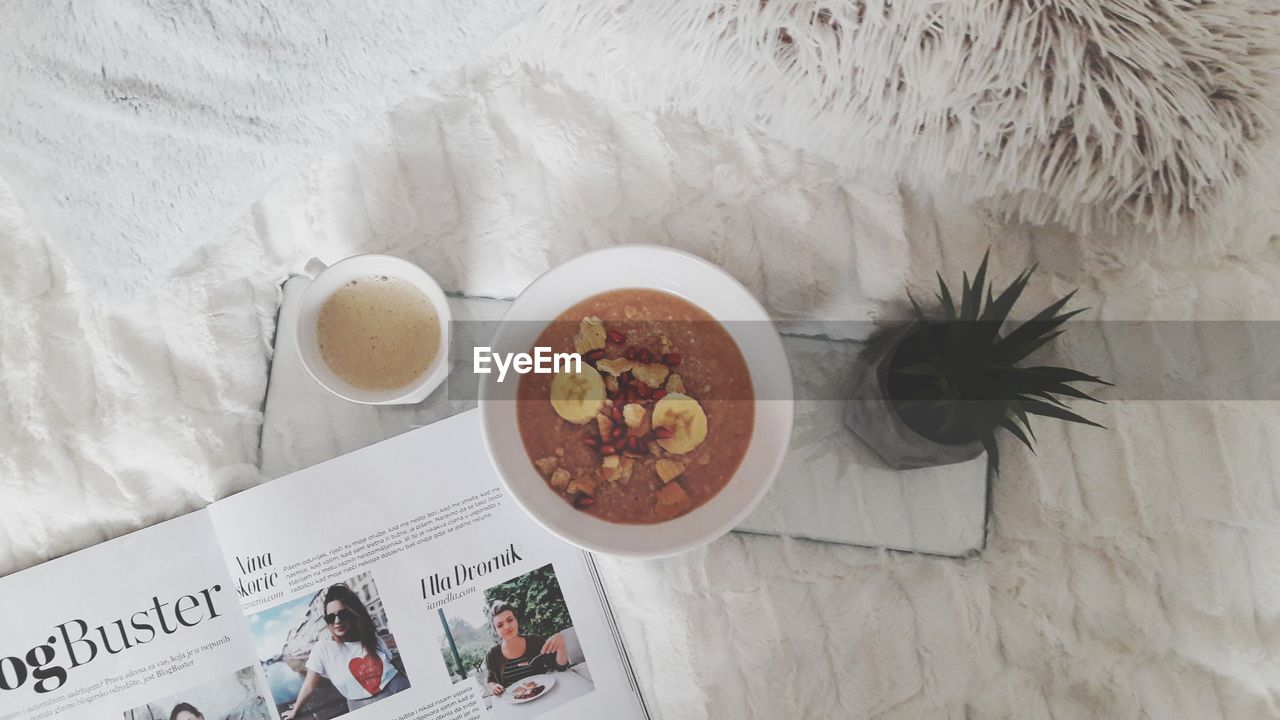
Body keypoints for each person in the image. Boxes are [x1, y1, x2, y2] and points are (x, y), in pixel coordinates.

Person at [281, 584, 410, 718]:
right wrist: (295, 711)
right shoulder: (322, 648)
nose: (337, 621)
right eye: (331, 617)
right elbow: (308, 685)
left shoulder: (371, 637)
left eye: (343, 614)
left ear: (353, 613)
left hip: (399, 689)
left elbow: (390, 664)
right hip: (362, 706)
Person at [484, 600, 570, 697]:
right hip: (513, 702)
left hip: (542, 695)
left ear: (516, 620)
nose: (507, 626)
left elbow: (560, 667)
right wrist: (494, 687)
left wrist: (562, 644)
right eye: (500, 625)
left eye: (510, 620)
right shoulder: (492, 655)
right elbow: (490, 681)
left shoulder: (535, 641)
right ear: (496, 630)